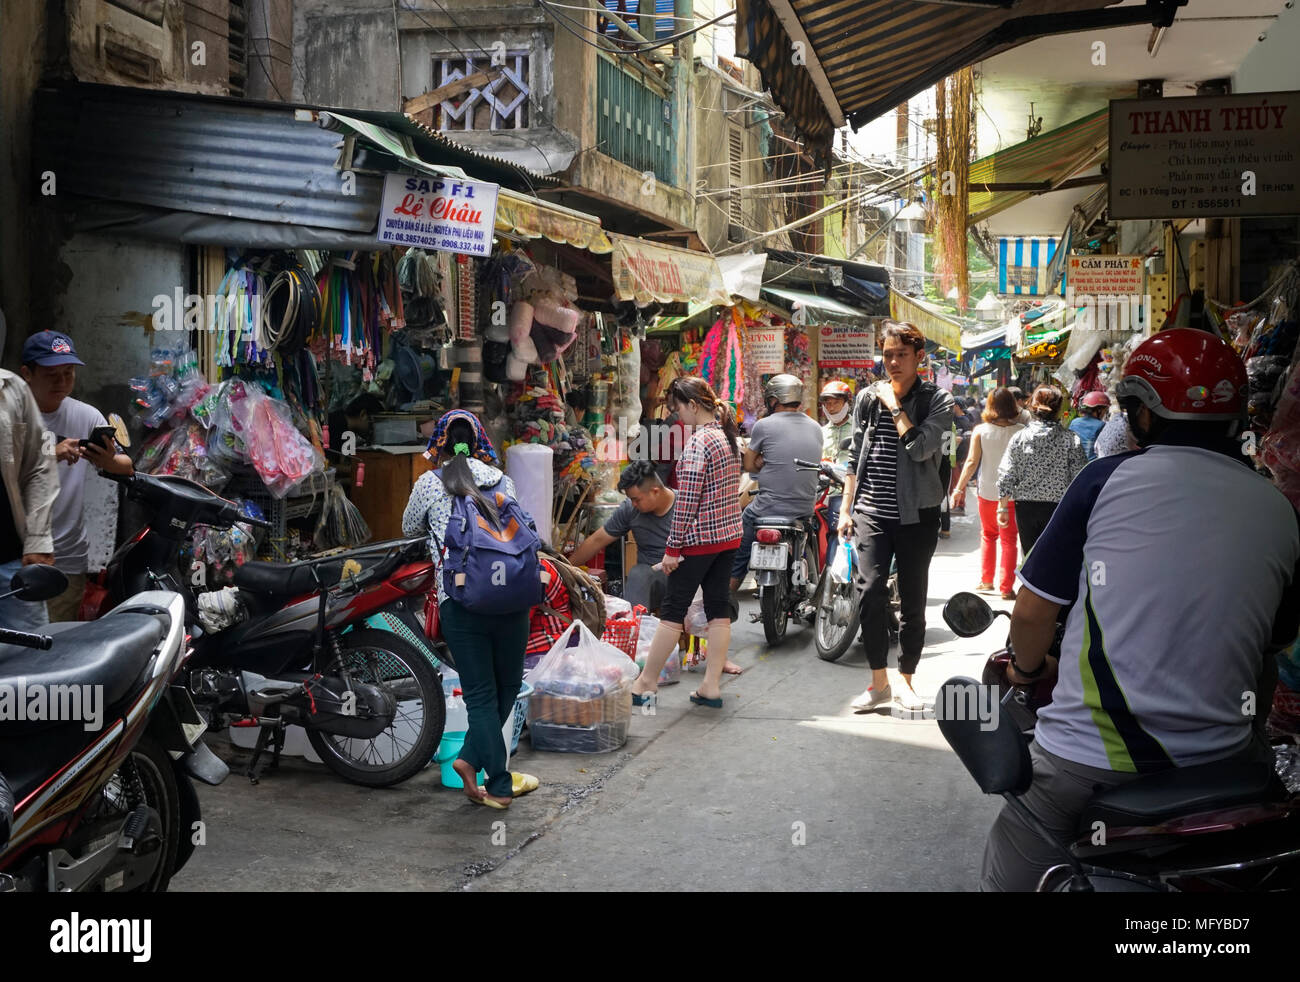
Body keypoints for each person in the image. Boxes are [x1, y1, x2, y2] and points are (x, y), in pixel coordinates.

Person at [982, 328, 1300, 891]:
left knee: (1017, 850)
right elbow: (1272, 641)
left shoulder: (1105, 480)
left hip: (1090, 760)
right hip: (1224, 766)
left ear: (1144, 415)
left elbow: (1032, 614)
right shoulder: (1277, 505)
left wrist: (1027, 671)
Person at [402, 410, 538, 809]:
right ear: (481, 442)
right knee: (507, 687)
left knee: (480, 695)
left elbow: (409, 528)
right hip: (511, 597)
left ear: (440, 445)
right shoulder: (504, 481)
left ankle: (489, 778)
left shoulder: (428, 483)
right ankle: (482, 769)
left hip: (461, 602)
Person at [839, 322, 954, 712]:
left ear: (919, 357)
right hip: (871, 511)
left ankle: (906, 678)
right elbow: (855, 455)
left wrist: (894, 405)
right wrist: (845, 507)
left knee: (912, 600)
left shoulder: (936, 400)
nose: (892, 362)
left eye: (901, 355)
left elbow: (920, 448)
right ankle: (878, 683)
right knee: (870, 592)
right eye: (887, 354)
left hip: (917, 515)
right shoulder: (866, 398)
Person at [632, 376, 743, 710]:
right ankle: (710, 686)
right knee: (718, 609)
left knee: (673, 611)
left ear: (693, 405)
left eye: (678, 409)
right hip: (728, 537)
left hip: (700, 541)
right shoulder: (727, 437)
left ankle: (645, 682)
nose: (678, 417)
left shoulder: (699, 443)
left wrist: (671, 549)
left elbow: (687, 502)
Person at [18, 331, 134, 622]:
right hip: (16, 554)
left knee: (58, 646)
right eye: (52, 374)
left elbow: (127, 466)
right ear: (26, 374)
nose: (62, 382)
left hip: (66, 557)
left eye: (68, 373)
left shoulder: (86, 416)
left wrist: (108, 459)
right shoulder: (10, 414)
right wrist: (50, 453)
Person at [729, 374, 824, 596]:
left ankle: (727, 595)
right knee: (809, 530)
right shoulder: (815, 427)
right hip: (804, 508)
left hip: (766, 508)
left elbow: (750, 465)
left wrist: (764, 461)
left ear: (774, 399)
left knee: (741, 543)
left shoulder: (764, 425)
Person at [0, 364, 59, 631]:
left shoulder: (12, 388)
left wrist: (38, 539)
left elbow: (39, 464)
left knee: (30, 658)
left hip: (10, 558)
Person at [996, 386, 1087, 557]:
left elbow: (1007, 474)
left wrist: (1002, 508)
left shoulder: (1020, 438)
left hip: (1026, 507)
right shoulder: (1071, 439)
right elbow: (1080, 478)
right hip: (1059, 509)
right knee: (1054, 560)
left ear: (1032, 406)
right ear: (1059, 408)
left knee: (1030, 560)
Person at [952, 388, 1025, 600]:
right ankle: (1006, 588)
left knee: (988, 535)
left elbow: (972, 462)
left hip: (987, 491)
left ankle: (986, 580)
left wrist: (959, 488)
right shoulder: (1021, 430)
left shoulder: (981, 431)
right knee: (1010, 540)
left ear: (990, 406)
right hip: (1012, 494)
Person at [820, 380, 854, 468]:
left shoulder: (858, 428)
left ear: (847, 403)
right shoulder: (821, 432)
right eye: (828, 403)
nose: (831, 408)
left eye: (836, 402)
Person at [1069, 390, 1110, 460]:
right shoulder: (1101, 425)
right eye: (1105, 411)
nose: (1104, 414)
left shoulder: (1074, 422)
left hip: (1074, 462)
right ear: (1099, 410)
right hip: (1091, 464)